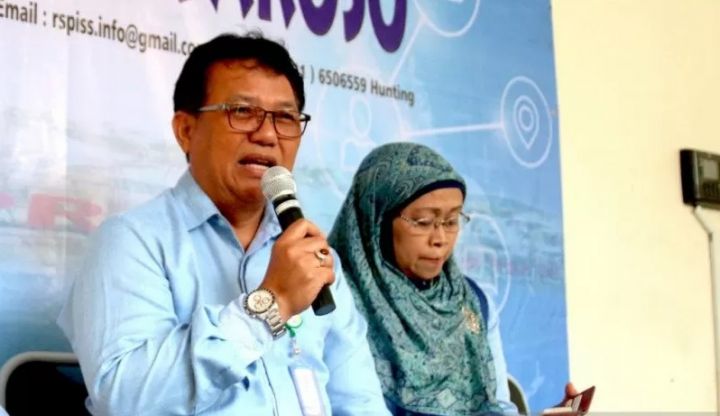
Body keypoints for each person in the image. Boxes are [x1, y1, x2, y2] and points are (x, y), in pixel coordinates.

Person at [57, 33, 389, 415]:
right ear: (186, 130)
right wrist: (272, 304)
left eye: (285, 117)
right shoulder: (132, 242)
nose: (267, 135)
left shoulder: (312, 255)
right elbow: (127, 400)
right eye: (242, 111)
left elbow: (360, 401)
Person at [328, 142, 517, 415]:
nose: (440, 239)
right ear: (378, 220)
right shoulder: (334, 298)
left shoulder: (472, 302)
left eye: (451, 221)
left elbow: (498, 407)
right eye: (424, 222)